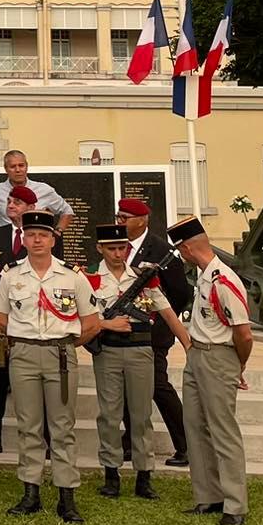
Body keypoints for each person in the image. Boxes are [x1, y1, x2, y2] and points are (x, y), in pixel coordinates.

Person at [0, 209, 92, 522]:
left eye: (43, 235)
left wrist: (63, 344)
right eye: (31, 234)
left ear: (53, 239)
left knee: (62, 428)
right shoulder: (11, 276)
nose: (36, 240)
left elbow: (91, 323)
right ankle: (30, 492)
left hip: (60, 355)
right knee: (29, 426)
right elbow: (0, 317)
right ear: (23, 238)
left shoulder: (72, 276)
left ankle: (67, 496)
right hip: (23, 354)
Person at [86, 223, 188, 500]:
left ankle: (144, 476)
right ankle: (111, 474)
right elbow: (84, 319)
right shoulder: (91, 281)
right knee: (109, 415)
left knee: (141, 416)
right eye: (111, 248)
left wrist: (189, 344)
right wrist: (107, 324)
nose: (118, 253)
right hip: (108, 351)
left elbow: (167, 313)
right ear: (100, 249)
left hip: (141, 350)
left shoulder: (143, 278)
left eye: (122, 248)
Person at [173, 216, 253, 525]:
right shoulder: (205, 276)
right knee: (195, 426)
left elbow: (243, 333)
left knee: (223, 432)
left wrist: (238, 364)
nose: (180, 254)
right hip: (197, 354)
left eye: (180, 249)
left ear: (188, 248)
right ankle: (208, 497)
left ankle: (235, 506)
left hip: (219, 357)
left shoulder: (224, 280)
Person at [119, 196, 188, 467]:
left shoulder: (161, 251)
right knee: (126, 387)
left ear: (142, 220)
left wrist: (159, 322)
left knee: (159, 387)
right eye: (118, 217)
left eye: (124, 218)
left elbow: (181, 293)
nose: (119, 222)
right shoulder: (117, 246)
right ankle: (130, 442)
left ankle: (185, 444)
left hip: (153, 333)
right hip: (124, 331)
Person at [0, 185, 39, 455]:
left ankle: (45, 439)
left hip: (33, 316)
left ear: (30, 207)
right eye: (10, 200)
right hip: (3, 316)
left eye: (18, 202)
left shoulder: (42, 236)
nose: (11, 205)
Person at [0, 151, 72, 233]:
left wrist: (58, 232)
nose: (18, 170)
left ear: (27, 166)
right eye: (13, 166)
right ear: (6, 169)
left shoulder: (44, 190)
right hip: (7, 245)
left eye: (21, 165)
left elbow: (67, 211)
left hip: (36, 245)